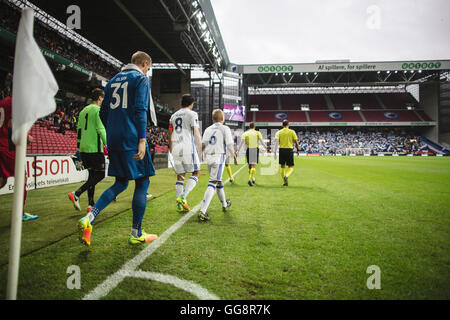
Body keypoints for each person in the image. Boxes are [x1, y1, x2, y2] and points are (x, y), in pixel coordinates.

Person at [77, 51, 157, 246]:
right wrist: (141, 139)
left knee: (121, 182)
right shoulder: (140, 79)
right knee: (142, 181)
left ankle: (89, 218)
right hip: (132, 137)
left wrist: (113, 129)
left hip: (114, 139)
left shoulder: (112, 80)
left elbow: (104, 112)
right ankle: (136, 233)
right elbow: (140, 110)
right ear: (144, 63)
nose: (147, 72)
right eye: (148, 68)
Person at [68, 88, 107, 213]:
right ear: (100, 98)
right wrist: (109, 144)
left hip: (84, 149)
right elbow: (101, 129)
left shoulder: (83, 110)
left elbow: (79, 130)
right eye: (103, 97)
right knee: (100, 174)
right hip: (94, 148)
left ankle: (91, 204)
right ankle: (77, 193)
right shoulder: (98, 110)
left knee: (92, 175)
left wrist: (79, 147)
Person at [0, 92, 38, 221]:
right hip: (8, 146)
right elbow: (11, 124)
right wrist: (26, 137)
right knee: (22, 178)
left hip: (2, 143)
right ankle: (19, 214)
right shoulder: (14, 103)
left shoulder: (4, 101)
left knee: (2, 179)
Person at [198, 109, 237, 222]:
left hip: (209, 157)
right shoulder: (225, 128)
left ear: (213, 118)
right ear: (223, 118)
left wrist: (201, 154)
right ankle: (202, 211)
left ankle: (224, 204)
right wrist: (234, 156)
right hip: (218, 157)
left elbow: (203, 144)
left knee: (218, 181)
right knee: (213, 182)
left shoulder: (208, 129)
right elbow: (229, 145)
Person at [168, 94, 202, 213]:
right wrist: (200, 148)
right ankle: (183, 196)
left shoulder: (173, 115)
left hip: (176, 147)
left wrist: (171, 149)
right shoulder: (192, 114)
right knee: (196, 172)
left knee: (180, 175)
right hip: (188, 147)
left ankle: (179, 205)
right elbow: (196, 132)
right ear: (191, 103)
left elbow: (170, 133)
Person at [235, 122, 267, 186]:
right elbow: (261, 141)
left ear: (249, 127)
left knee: (250, 166)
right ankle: (250, 179)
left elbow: (241, 143)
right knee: (254, 165)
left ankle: (252, 178)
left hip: (248, 150)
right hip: (255, 149)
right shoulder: (257, 133)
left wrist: (237, 151)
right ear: (254, 127)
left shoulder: (245, 133)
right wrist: (266, 147)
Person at [273, 120, 300, 186]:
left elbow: (276, 143)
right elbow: (296, 142)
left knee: (282, 166)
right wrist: (298, 150)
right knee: (291, 166)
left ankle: (285, 182)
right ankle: (286, 175)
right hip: (289, 150)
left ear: (282, 125)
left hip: (281, 150)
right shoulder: (292, 131)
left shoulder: (279, 132)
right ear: (288, 125)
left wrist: (274, 152)